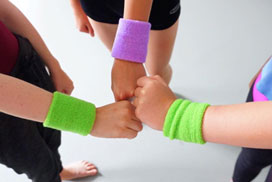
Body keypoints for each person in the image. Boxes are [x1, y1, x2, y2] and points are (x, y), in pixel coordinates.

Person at [0, 0, 142, 181]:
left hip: (24, 59)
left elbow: (4, 11)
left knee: (50, 133)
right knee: (35, 162)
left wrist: (53, 65)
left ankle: (58, 170)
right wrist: (90, 119)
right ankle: (52, 176)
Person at [69, 0, 180, 101]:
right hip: (99, 5)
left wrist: (128, 54)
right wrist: (76, 6)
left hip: (155, 6)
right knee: (126, 73)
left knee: (157, 72)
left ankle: (161, 103)